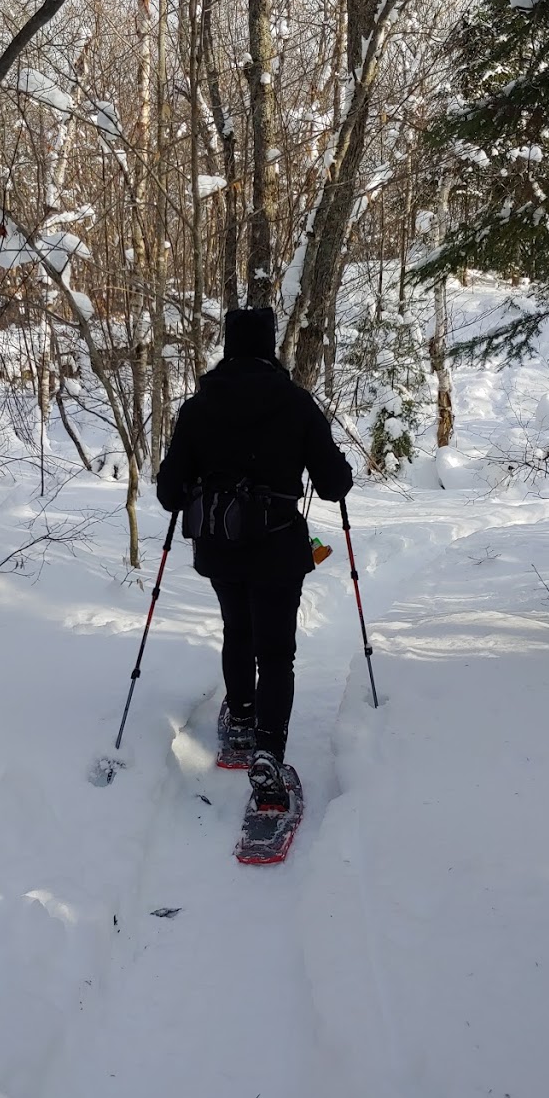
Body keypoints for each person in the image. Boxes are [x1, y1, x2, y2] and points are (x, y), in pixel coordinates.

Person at [156, 306, 353, 811]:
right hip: (280, 546)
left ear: (229, 347)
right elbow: (333, 484)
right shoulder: (295, 404)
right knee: (276, 651)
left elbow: (168, 493)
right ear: (270, 348)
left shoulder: (199, 408)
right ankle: (268, 753)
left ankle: (241, 718)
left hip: (221, 545)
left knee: (237, 630)